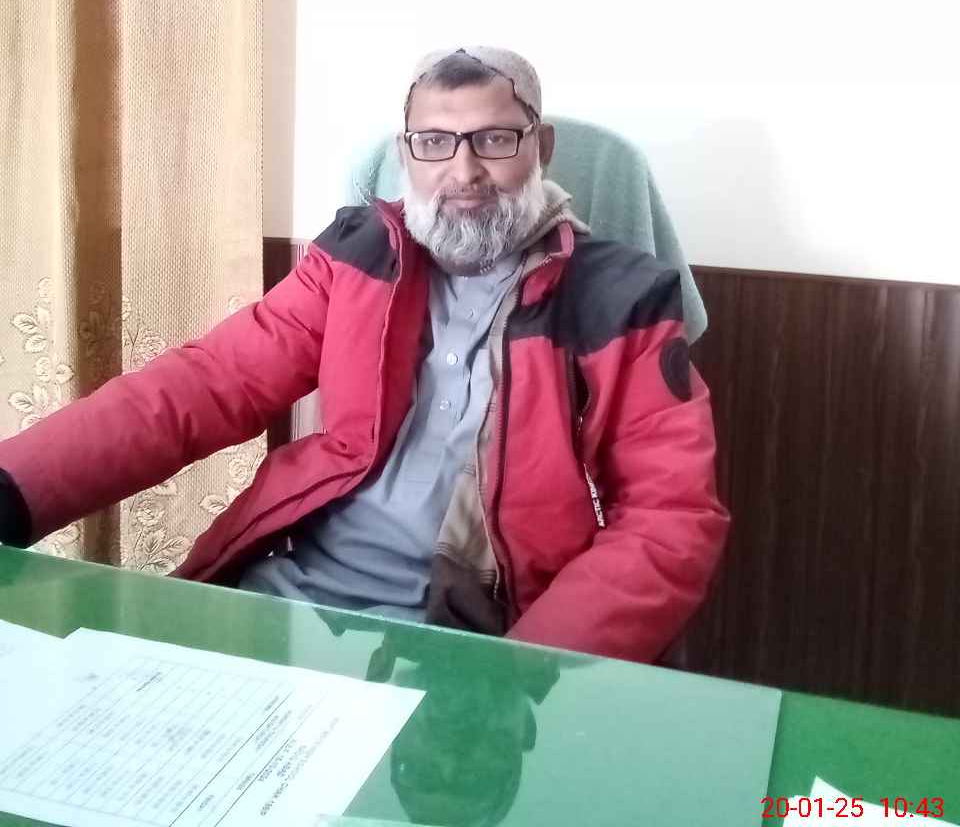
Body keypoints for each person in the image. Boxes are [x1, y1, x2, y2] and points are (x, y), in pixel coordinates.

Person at [0, 47, 729, 662]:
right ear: (406, 154)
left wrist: (528, 670)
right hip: (289, 601)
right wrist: (15, 488)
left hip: (473, 635)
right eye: (435, 142)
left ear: (541, 148)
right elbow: (207, 383)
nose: (463, 171)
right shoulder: (357, 258)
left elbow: (669, 517)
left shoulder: (619, 300)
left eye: (494, 140)